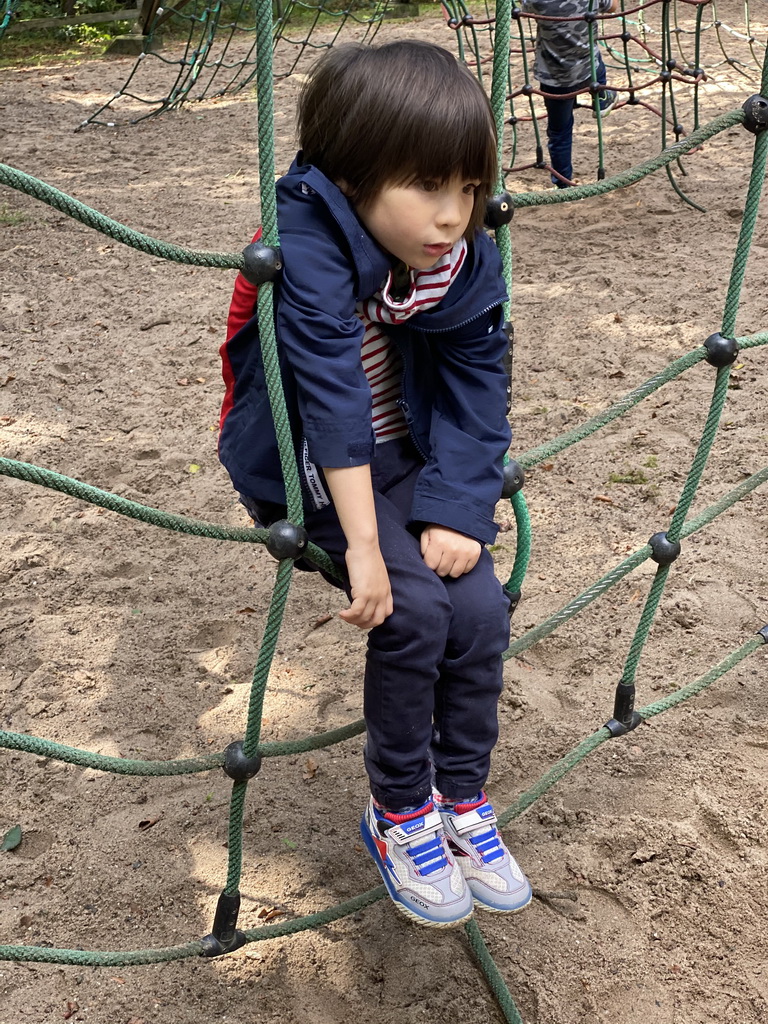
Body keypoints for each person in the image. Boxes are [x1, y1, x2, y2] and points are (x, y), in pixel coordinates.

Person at [218, 40, 531, 929]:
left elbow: (479, 381)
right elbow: (329, 394)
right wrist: (363, 546)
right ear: (355, 179)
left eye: (468, 189)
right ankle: (398, 812)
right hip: (310, 465)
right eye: (429, 187)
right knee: (414, 611)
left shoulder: (458, 259)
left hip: (408, 458)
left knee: (480, 610)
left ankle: (462, 799)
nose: (453, 216)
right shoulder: (300, 242)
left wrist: (457, 507)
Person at [523, 0, 619, 187]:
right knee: (598, 65)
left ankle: (562, 183)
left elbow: (523, 6)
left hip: (554, 80)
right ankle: (601, 98)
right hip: (587, 71)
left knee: (559, 132)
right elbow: (613, 6)